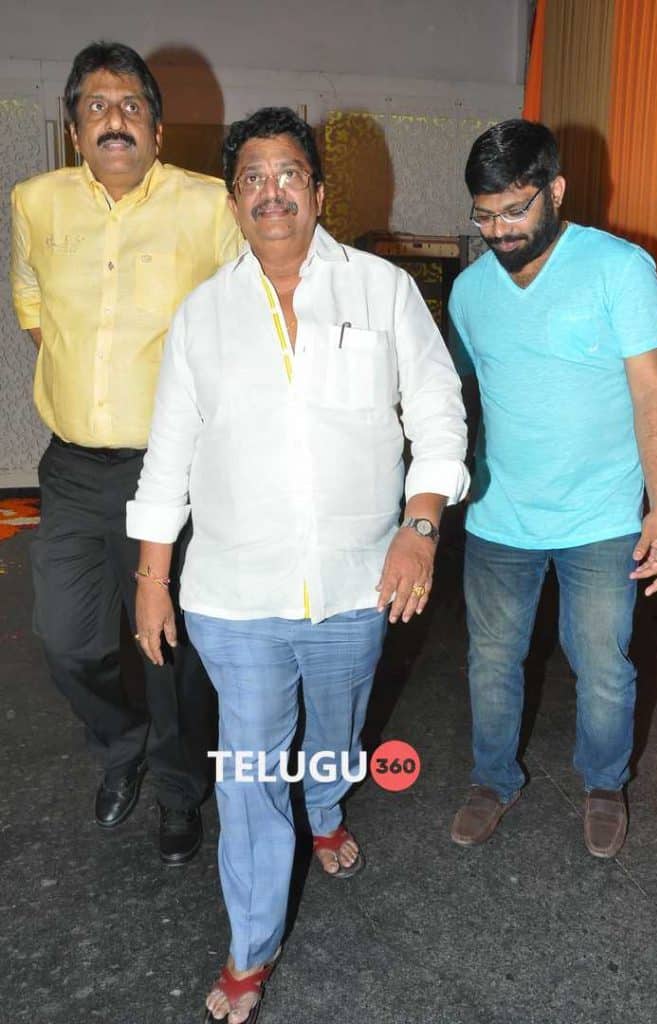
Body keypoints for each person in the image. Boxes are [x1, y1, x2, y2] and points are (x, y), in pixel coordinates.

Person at [127, 106, 469, 1023]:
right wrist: (152, 578)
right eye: (252, 177)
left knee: (337, 732)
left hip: (359, 584)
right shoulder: (202, 316)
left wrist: (421, 524)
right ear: (233, 200)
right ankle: (250, 948)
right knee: (247, 773)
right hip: (235, 597)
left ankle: (325, 805)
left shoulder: (382, 292)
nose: (271, 191)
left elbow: (437, 410)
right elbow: (168, 455)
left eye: (288, 174)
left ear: (317, 191)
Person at [10, 41, 240, 865]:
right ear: (74, 129)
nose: (116, 120)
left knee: (168, 645)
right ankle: (121, 743)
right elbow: (31, 301)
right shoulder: (34, 202)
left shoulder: (208, 206)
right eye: (97, 107)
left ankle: (179, 789)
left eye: (132, 106)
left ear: (158, 130)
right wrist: (88, 384)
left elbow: (246, 310)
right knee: (65, 639)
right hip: (72, 467)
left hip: (171, 468)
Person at [448, 119, 657, 859]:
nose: (499, 231)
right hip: (499, 515)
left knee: (604, 665)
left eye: (515, 210)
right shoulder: (469, 293)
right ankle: (492, 779)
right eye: (485, 215)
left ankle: (604, 784)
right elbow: (461, 397)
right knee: (490, 660)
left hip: (603, 516)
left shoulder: (620, 269)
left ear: (556, 190)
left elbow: (653, 392)